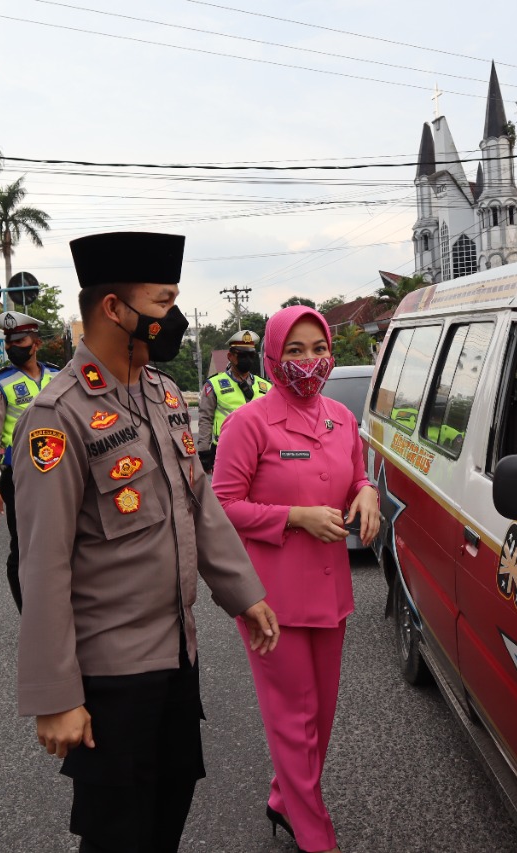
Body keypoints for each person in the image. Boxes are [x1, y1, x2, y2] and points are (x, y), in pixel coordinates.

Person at [12, 231, 280, 853]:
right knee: (117, 836)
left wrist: (243, 592)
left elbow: (200, 502)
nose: (174, 319)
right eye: (162, 304)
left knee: (167, 814)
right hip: (111, 674)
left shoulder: (161, 394)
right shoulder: (59, 416)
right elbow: (43, 562)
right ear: (113, 309)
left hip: (176, 657)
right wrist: (55, 695)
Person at [211, 305, 380, 853]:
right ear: (273, 357)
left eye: (317, 349)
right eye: (295, 351)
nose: (310, 362)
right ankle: (315, 833)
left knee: (322, 716)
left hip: (330, 591)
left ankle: (285, 797)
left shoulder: (341, 418)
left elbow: (356, 473)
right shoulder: (249, 422)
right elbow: (220, 505)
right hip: (270, 597)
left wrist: (367, 491)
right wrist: (293, 517)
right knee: (293, 717)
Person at [0, 310, 60, 612]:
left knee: (68, 543)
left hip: (60, 474)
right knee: (24, 548)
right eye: (9, 341)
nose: (14, 346)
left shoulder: (58, 377)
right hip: (20, 478)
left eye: (20, 340)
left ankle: (66, 611)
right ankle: (30, 616)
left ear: (36, 343)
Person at [196, 329, 272, 472]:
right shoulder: (214, 384)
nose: (247, 359)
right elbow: (205, 419)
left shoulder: (265, 386)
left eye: (251, 355)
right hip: (225, 451)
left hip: (260, 452)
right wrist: (204, 452)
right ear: (230, 356)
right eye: (242, 355)